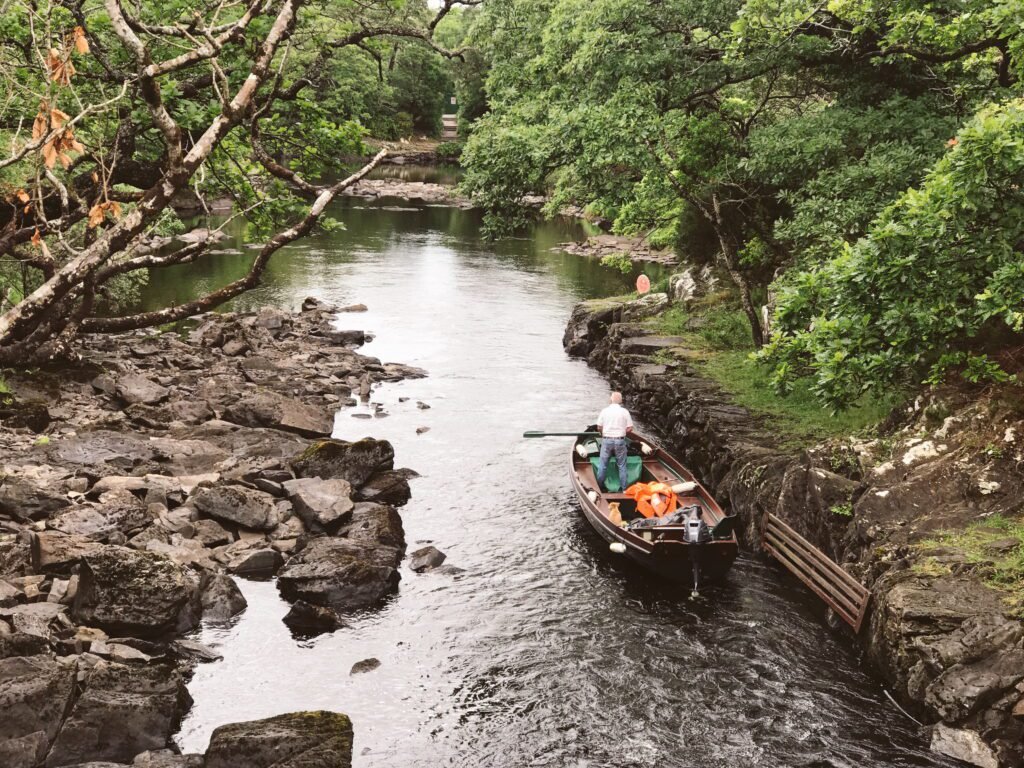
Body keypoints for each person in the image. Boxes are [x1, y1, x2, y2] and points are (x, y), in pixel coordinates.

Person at [596, 392, 633, 493]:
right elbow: (630, 428)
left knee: (603, 465)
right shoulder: (624, 411)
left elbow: (599, 426)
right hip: (620, 440)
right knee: (622, 466)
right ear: (620, 401)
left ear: (611, 399)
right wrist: (621, 432)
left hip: (607, 440)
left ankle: (599, 487)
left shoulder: (604, 411)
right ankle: (625, 490)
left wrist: (602, 433)